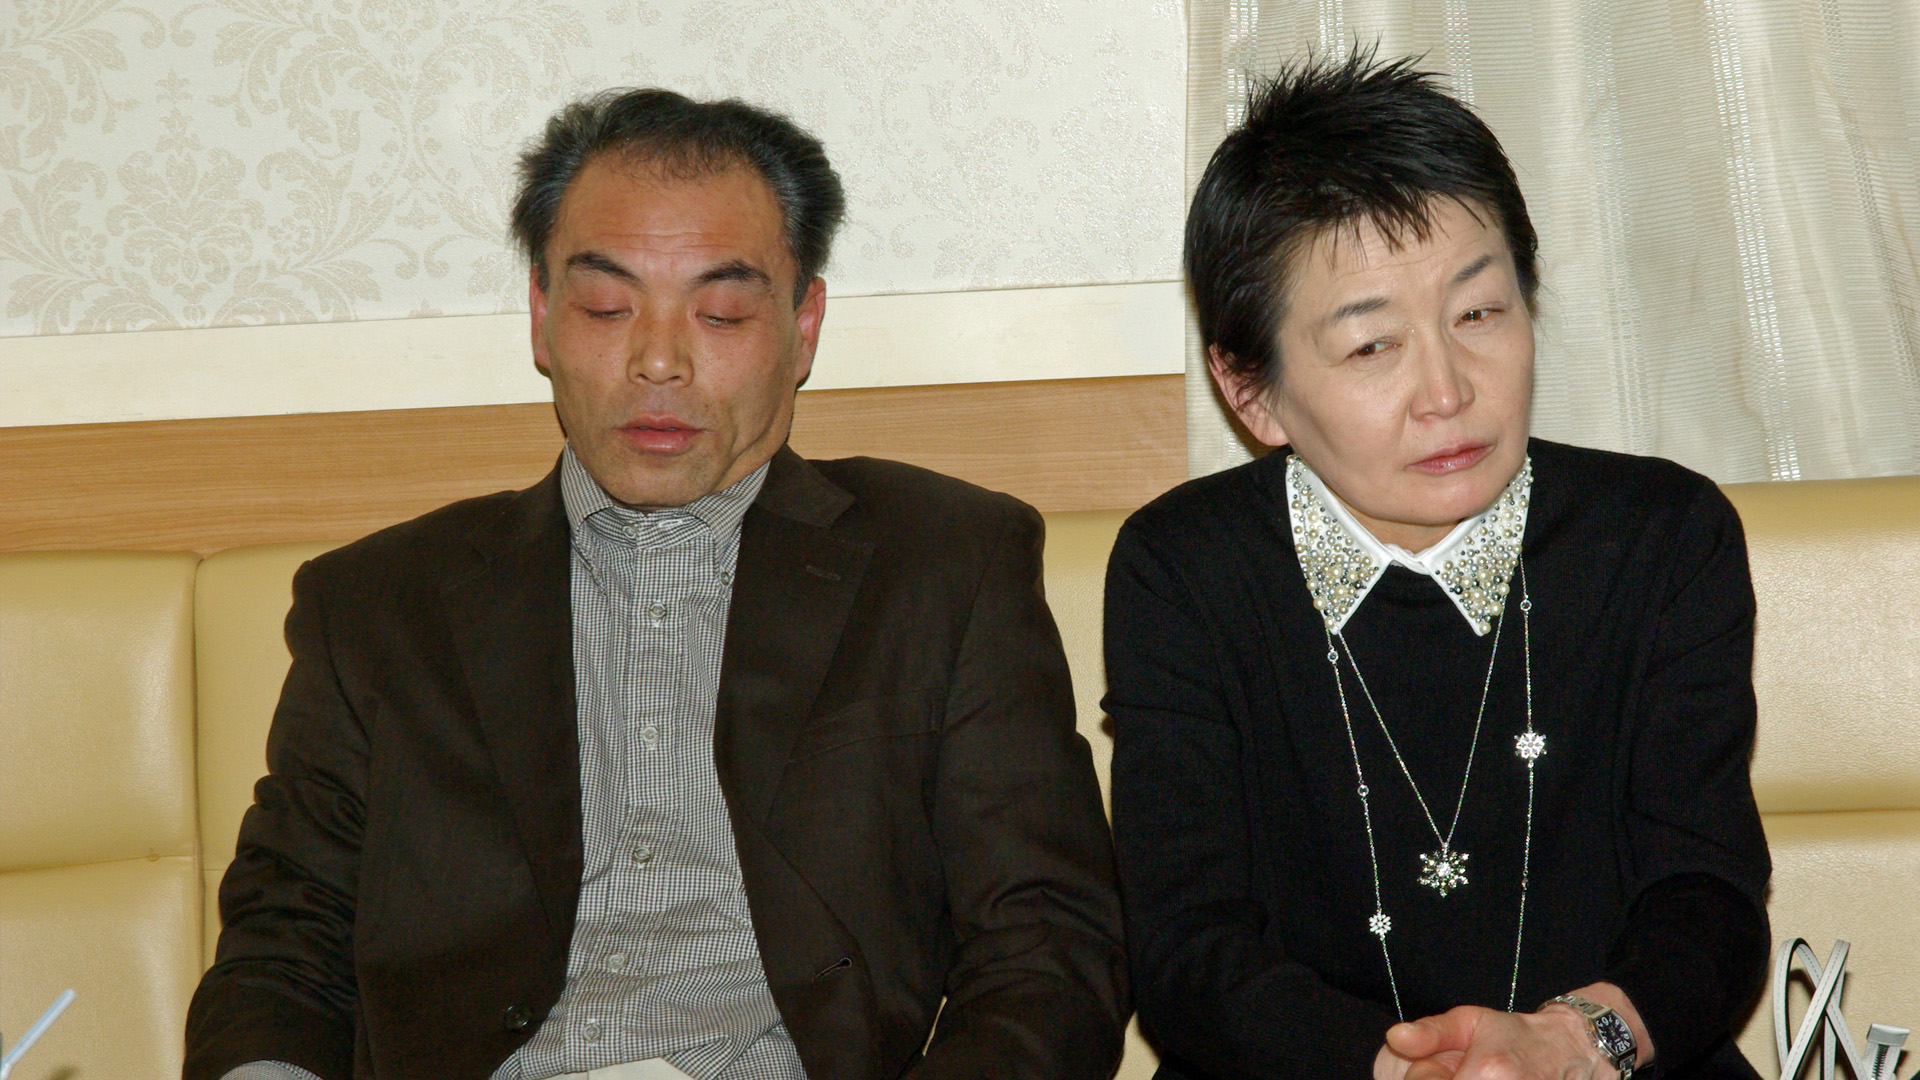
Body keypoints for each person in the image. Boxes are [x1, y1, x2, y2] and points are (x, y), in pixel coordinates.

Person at [184, 88, 1126, 1080]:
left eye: (721, 311)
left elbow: (1049, 946)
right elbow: (284, 950)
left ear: (803, 327)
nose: (659, 361)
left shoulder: (942, 565)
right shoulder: (380, 606)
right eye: (607, 307)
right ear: (542, 318)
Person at [1104, 53, 1770, 1080]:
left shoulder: (1662, 538)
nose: (1448, 392)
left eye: (1479, 313)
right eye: (1372, 346)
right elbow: (1189, 950)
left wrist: (1572, 1044)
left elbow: (1708, 899)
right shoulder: (1183, 572)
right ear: (1251, 393)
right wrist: (1405, 1073)